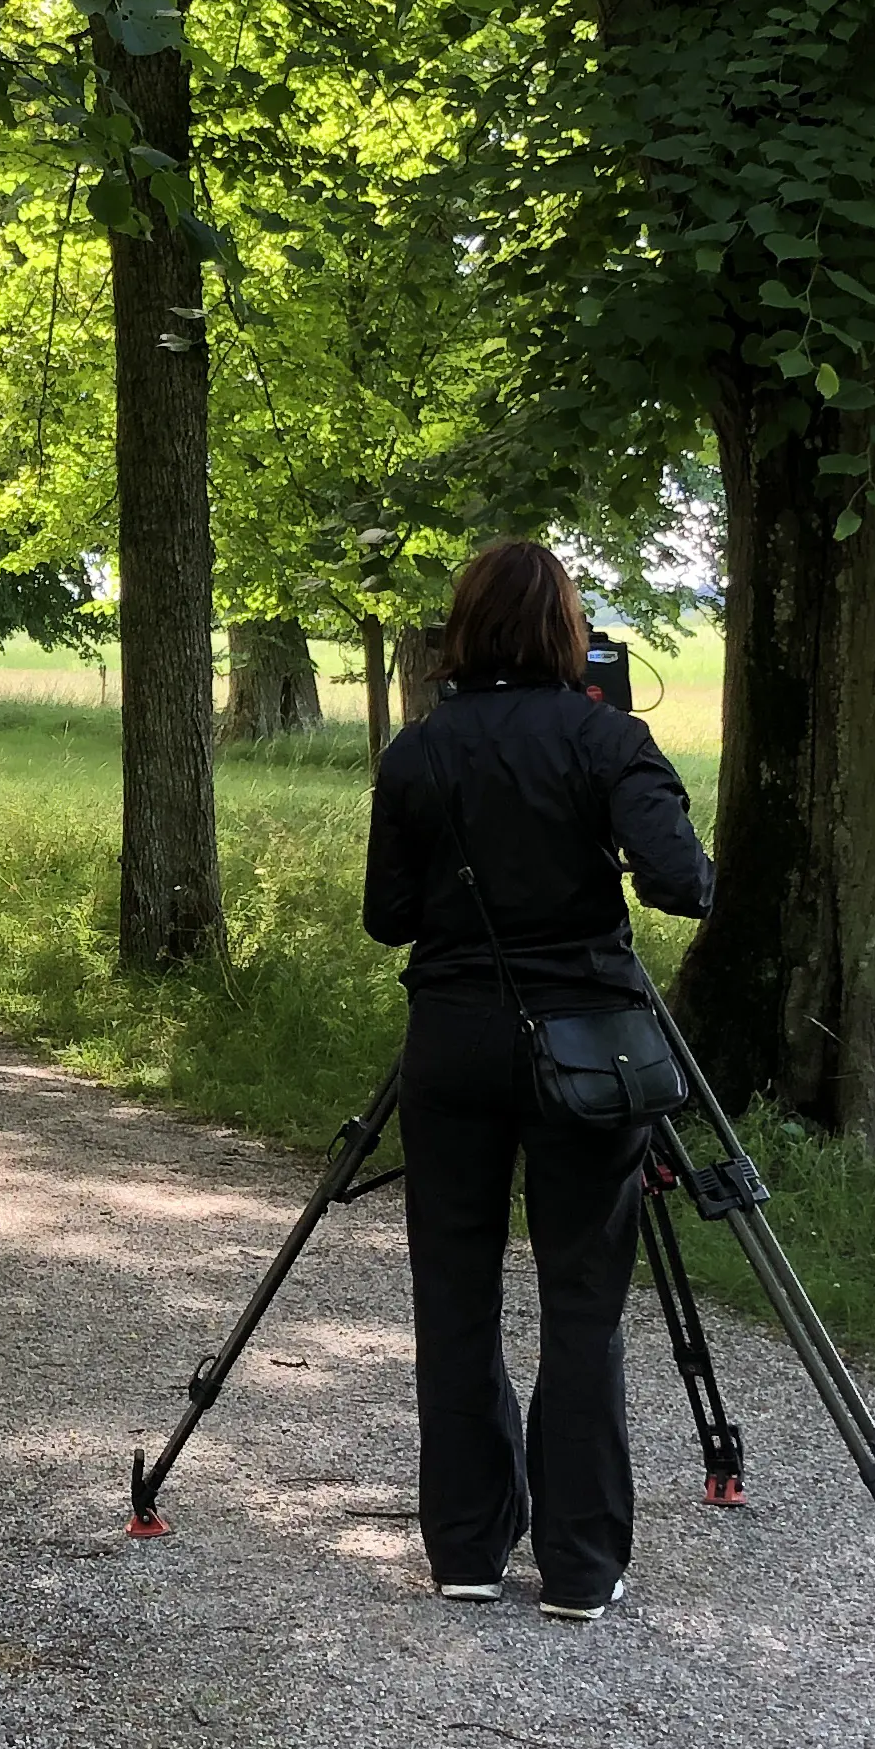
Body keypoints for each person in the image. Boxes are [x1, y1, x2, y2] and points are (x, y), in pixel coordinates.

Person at [362, 538, 713, 1624]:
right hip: (589, 1054)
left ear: (458, 633)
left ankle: (467, 1548)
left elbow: (389, 919)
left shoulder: (418, 752)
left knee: (453, 1299)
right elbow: (685, 887)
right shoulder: (610, 739)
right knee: (583, 1303)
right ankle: (580, 1563)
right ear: (570, 633)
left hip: (454, 1044)